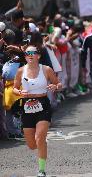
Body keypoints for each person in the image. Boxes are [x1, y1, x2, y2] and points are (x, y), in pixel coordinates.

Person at [13, 45, 62, 177]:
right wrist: (20, 92)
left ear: (38, 56)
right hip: (27, 105)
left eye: (32, 53)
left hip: (42, 104)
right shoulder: (20, 71)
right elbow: (14, 88)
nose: (29, 55)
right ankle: (41, 145)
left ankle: (41, 170)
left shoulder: (46, 69)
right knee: (32, 144)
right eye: (27, 53)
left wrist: (54, 86)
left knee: (39, 138)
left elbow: (59, 84)